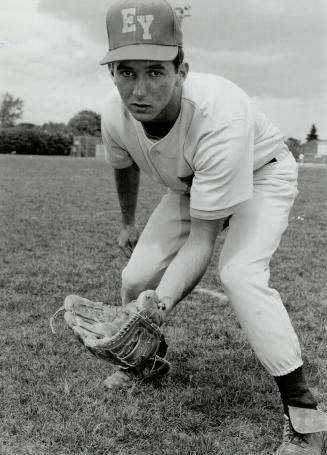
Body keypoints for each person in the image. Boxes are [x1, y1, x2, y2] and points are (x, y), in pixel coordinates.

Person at [99, 0, 327, 452]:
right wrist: (128, 222)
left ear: (182, 70)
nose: (139, 89)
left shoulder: (219, 114)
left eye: (156, 71)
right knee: (134, 277)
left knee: (239, 274)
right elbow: (123, 164)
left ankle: (306, 419)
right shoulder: (114, 114)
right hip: (191, 184)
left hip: (263, 174)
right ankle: (145, 362)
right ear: (112, 74)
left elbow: (203, 239)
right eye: (127, 71)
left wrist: (157, 306)